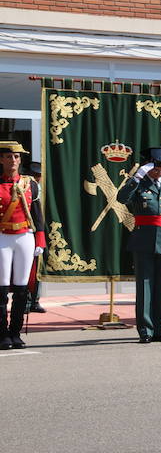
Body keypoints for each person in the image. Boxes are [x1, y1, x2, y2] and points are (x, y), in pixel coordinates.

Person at [117, 147, 161, 344]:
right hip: (144, 240)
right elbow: (122, 199)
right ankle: (146, 330)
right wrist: (136, 178)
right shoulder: (139, 184)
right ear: (148, 166)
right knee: (145, 286)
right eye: (155, 168)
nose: (159, 172)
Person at [0, 142, 45, 350]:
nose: (14, 160)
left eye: (17, 157)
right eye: (9, 157)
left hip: (25, 236)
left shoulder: (30, 184)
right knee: (1, 290)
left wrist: (41, 239)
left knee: (21, 289)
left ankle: (15, 333)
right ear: (1, 160)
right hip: (3, 237)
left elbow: (37, 213)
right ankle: (2, 334)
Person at [26, 160, 46, 313]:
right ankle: (26, 300)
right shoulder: (26, 187)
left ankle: (35, 300)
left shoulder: (42, 188)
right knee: (27, 268)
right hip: (27, 230)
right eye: (35, 175)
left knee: (38, 268)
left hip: (41, 230)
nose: (37, 178)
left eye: (38, 175)